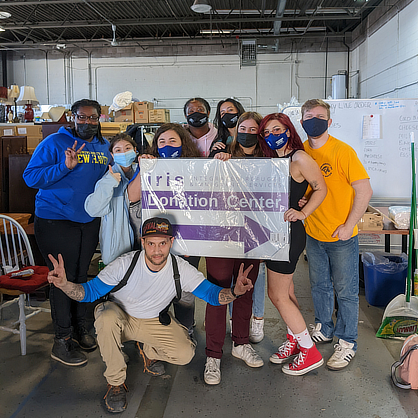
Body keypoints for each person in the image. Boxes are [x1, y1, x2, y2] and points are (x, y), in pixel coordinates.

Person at [46, 217, 254, 413]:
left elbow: (212, 295)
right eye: (151, 243)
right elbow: (89, 292)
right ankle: (115, 382)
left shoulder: (180, 269)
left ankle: (149, 351)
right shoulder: (124, 264)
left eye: (162, 243)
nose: (157, 250)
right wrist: (65, 284)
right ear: (143, 242)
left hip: (152, 321)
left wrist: (235, 292)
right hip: (120, 319)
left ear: (171, 242)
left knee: (185, 354)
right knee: (106, 316)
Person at [23, 99, 113, 366]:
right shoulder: (53, 143)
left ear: (100, 119)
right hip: (56, 219)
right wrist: (64, 167)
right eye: (81, 117)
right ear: (72, 118)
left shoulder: (104, 147)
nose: (87, 122)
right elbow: (31, 177)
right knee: (62, 278)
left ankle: (80, 328)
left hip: (89, 221)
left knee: (81, 276)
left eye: (92, 118)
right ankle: (61, 340)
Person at [300, 99, 372, 370]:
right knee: (319, 286)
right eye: (309, 116)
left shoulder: (343, 152)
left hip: (341, 236)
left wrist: (348, 225)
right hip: (314, 234)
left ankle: (347, 341)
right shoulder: (302, 152)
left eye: (320, 116)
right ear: (302, 121)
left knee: (346, 292)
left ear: (329, 122)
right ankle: (325, 328)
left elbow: (364, 191)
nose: (314, 120)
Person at [257, 112, 327, 375]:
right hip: (271, 233)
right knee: (286, 293)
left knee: (276, 295)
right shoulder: (271, 160)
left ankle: (309, 352)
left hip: (288, 234)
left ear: (288, 130)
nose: (272, 136)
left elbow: (321, 187)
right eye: (267, 132)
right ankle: (295, 340)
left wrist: (303, 212)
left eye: (277, 130)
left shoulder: (298, 158)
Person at [204, 112, 264, 386]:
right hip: (220, 234)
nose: (248, 132)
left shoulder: (269, 160)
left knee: (245, 290)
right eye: (243, 127)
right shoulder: (220, 153)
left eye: (254, 128)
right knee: (218, 292)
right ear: (235, 130)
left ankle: (240, 343)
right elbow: (201, 183)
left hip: (252, 234)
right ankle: (213, 354)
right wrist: (217, 162)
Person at [127, 123, 201, 339]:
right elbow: (132, 197)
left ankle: (186, 329)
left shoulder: (195, 167)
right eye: (161, 142)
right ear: (155, 146)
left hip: (188, 242)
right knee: (156, 287)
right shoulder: (150, 165)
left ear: (183, 144)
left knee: (185, 290)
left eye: (172, 141)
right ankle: (157, 335)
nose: (167, 146)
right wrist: (144, 169)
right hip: (157, 242)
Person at [84, 133, 138, 265]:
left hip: (142, 239)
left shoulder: (142, 172)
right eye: (118, 150)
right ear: (112, 155)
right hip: (119, 246)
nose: (124, 153)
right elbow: (93, 210)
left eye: (127, 148)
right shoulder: (107, 178)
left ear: (135, 151)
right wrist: (110, 183)